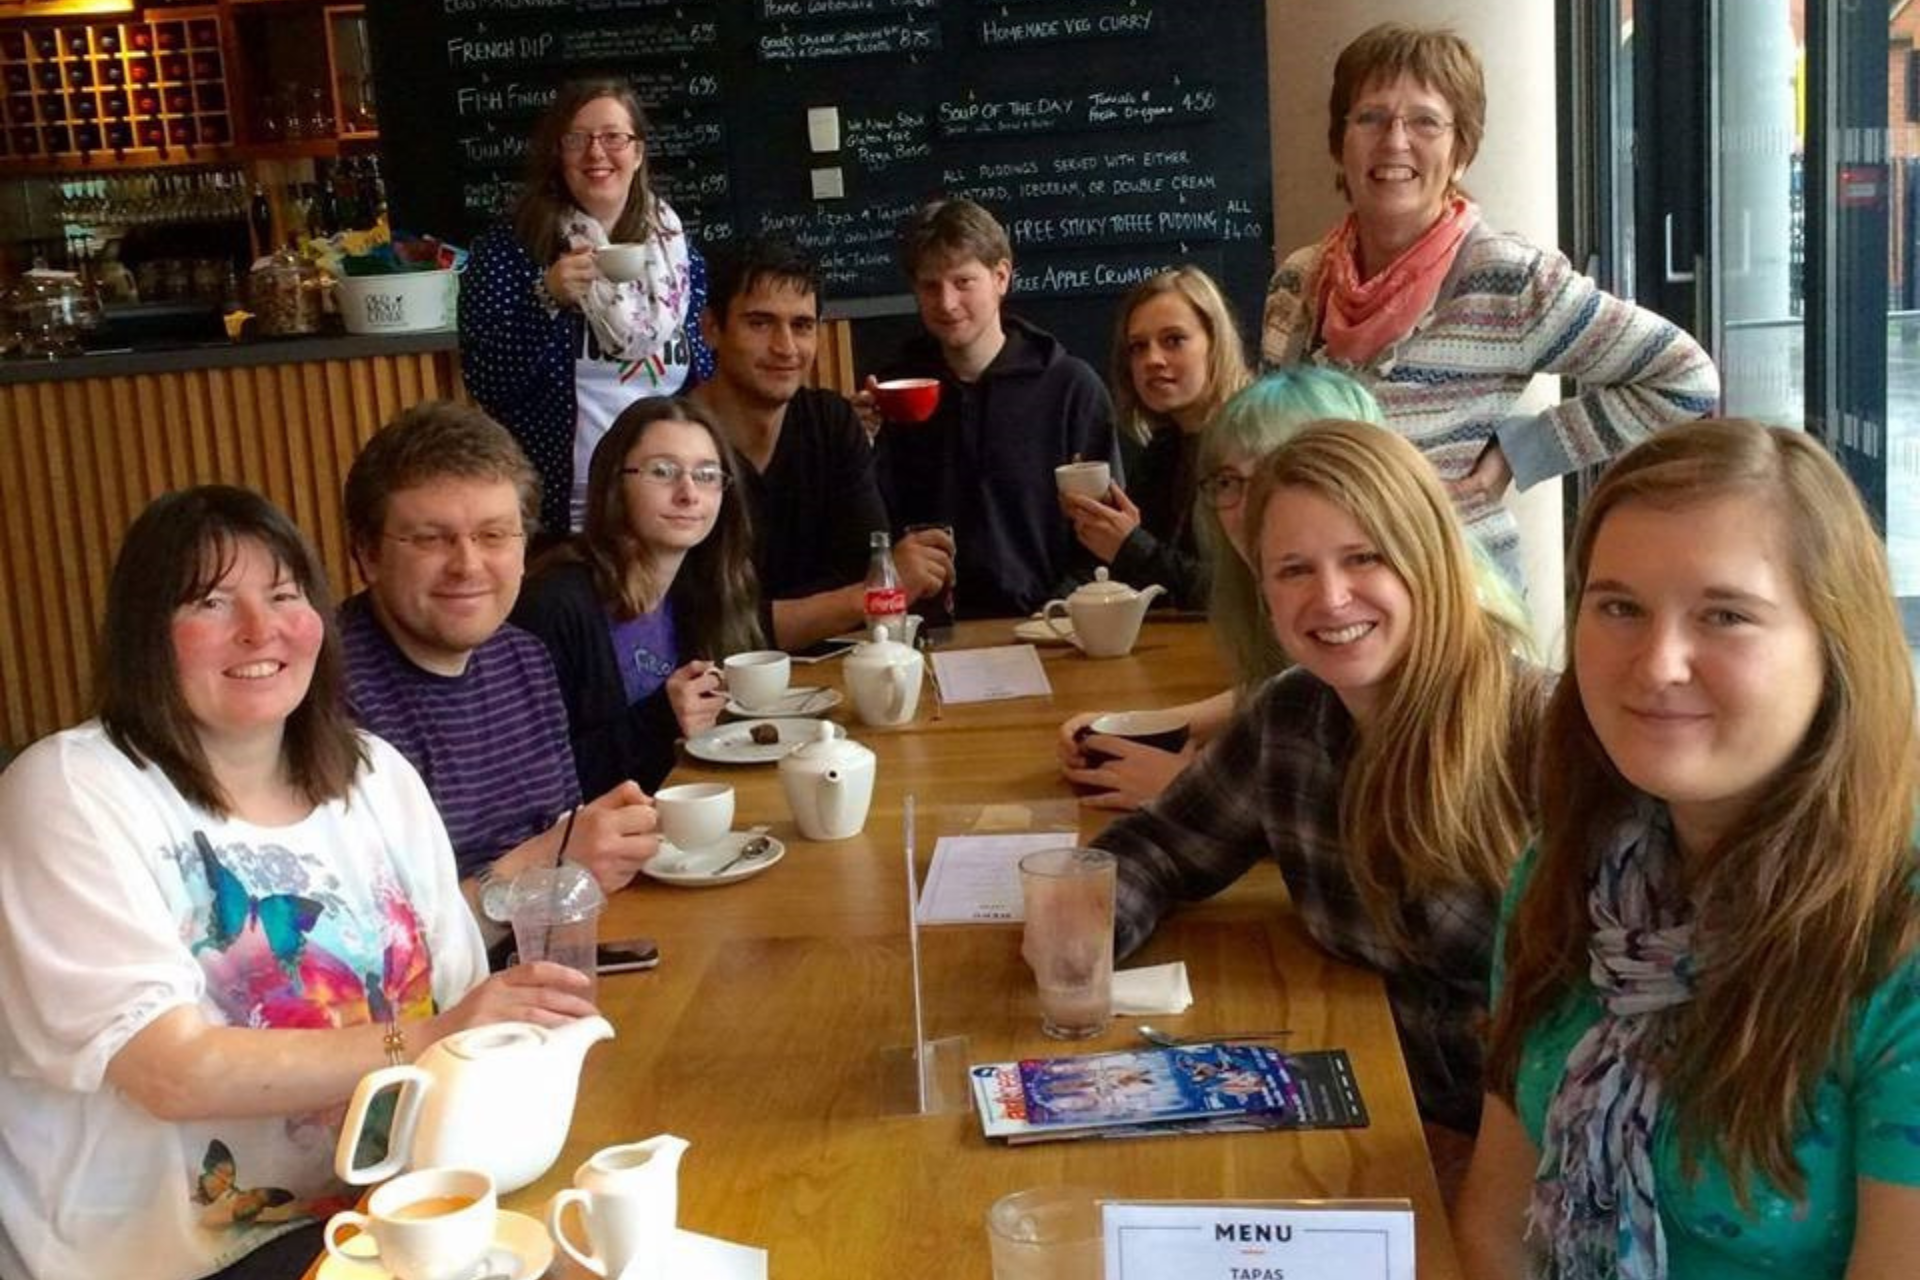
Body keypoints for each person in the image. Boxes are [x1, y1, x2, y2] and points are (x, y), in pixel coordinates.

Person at [0, 486, 594, 1280]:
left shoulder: (375, 776)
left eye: (284, 594)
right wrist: (420, 1039)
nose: (261, 628)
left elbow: (456, 1007)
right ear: (146, 634)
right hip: (183, 1259)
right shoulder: (72, 790)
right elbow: (169, 1071)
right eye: (211, 602)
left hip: (398, 1217)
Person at [1455, 420, 1920, 1279]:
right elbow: (1498, 1226)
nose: (1657, 662)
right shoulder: (1567, 872)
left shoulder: (1898, 933)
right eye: (1620, 607)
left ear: (1836, 646)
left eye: (1726, 615)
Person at [1086, 420, 1547, 1147]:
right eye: (1294, 569)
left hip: (1531, 1160)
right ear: (1262, 588)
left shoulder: (1546, 734)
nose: (1330, 599)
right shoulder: (1287, 718)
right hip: (1369, 1115)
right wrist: (1082, 925)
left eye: (1364, 558)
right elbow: (1162, 848)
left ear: (1427, 558)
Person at [1260, 22, 1718, 584]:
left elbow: (1685, 380)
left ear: (1461, 151)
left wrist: (1521, 450)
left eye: (1425, 121)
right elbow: (1268, 447)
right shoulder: (1298, 284)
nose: (1395, 140)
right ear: (1341, 142)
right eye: (1371, 117)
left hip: (1462, 604)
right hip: (1324, 602)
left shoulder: (1508, 279)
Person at [340, 401, 660, 925]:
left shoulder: (524, 658)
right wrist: (544, 865)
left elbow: (564, 851)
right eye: (430, 539)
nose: (467, 565)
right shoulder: (325, 693)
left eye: (492, 535)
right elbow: (373, 956)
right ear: (368, 554)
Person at [1058, 367, 1385, 809]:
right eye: (1230, 481)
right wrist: (1155, 724)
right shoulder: (1271, 593)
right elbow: (1286, 689)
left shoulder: (1394, 615)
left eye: (1278, 472)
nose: (1251, 505)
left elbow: (1394, 835)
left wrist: (1194, 788)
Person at [459, 77, 715, 538]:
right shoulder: (511, 250)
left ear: (638, 154)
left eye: (614, 137)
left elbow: (704, 379)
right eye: (578, 139)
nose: (596, 153)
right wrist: (546, 299)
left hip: (669, 511)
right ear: (558, 155)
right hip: (562, 518)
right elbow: (487, 381)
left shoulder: (679, 259)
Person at [689, 236, 953, 648]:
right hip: (710, 696)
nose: (785, 347)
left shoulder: (831, 423)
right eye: (759, 323)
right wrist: (868, 596)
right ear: (711, 329)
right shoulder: (668, 444)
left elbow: (866, 565)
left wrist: (860, 593)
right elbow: (710, 628)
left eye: (802, 325)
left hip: (837, 679)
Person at [868, 197, 1118, 617]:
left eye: (963, 282)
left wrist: (1058, 610)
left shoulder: (1071, 388)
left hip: (1050, 629)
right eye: (930, 286)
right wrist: (860, 443)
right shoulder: (895, 391)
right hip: (928, 634)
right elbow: (870, 527)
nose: (946, 303)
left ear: (1001, 277)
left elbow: (1103, 533)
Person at [512, 397, 761, 796]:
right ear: (615, 484)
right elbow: (532, 786)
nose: (688, 493)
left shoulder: (705, 588)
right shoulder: (556, 604)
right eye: (662, 471)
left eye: (707, 474)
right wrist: (662, 718)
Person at [1062, 265, 1252, 609]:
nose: (1152, 359)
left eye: (1173, 340)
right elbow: (1129, 569)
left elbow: (1243, 593)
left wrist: (1130, 547)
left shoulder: (1254, 448)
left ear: (1215, 343)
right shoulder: (1163, 450)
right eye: (1138, 347)